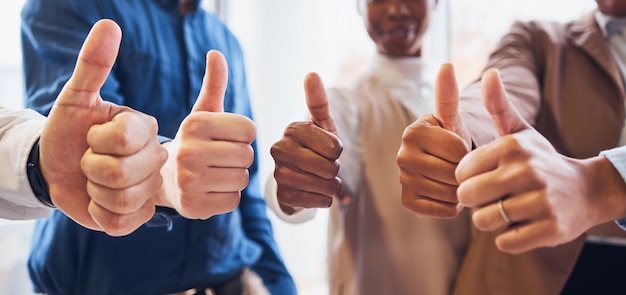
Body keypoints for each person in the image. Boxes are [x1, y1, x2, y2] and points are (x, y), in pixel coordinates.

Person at [21, 0, 295, 294]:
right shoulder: (68, 6)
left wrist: (279, 283)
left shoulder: (227, 42)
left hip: (231, 283)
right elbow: (72, 150)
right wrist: (166, 170)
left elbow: (245, 185)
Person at [397, 0, 626, 294]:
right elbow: (503, 89)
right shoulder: (540, 39)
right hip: (538, 269)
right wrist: (463, 138)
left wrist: (598, 186)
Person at [267, 0, 470, 294]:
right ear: (358, 6)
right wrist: (295, 181)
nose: (396, 10)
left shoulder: (461, 107)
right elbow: (317, 165)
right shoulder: (347, 105)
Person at [0, 19, 168, 238]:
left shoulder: (218, 34)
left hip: (215, 262)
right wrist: (40, 161)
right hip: (88, 258)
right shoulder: (65, 8)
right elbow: (70, 123)